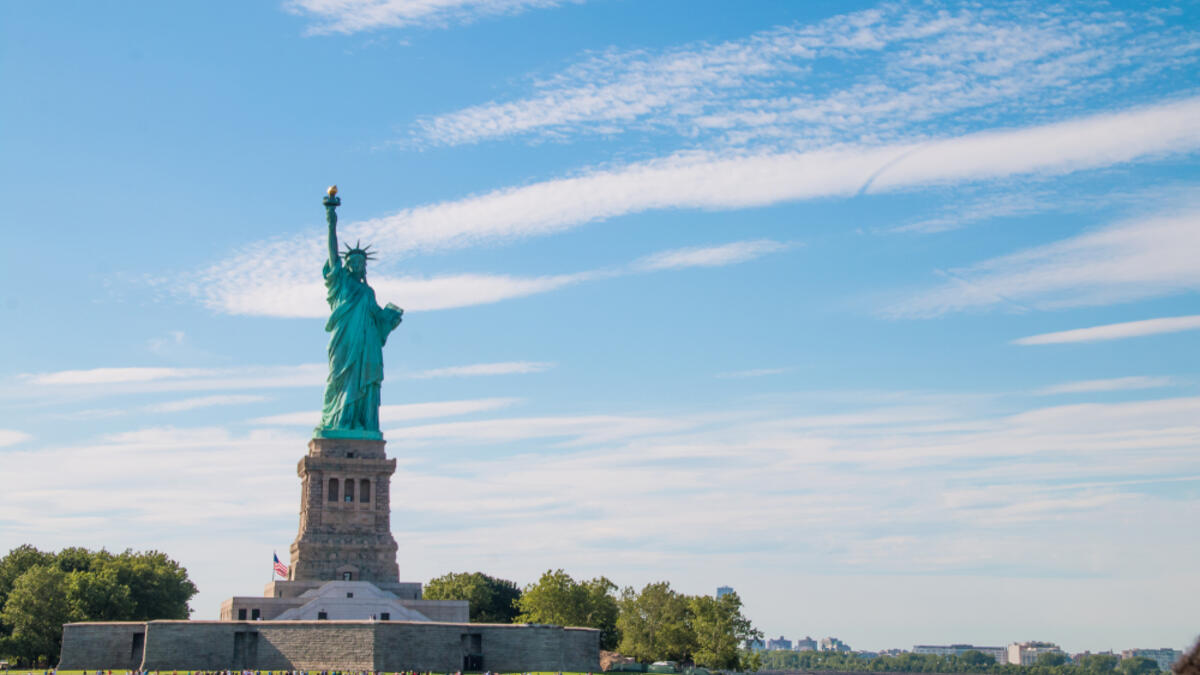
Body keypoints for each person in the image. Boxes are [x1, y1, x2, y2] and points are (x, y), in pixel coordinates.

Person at [317, 186, 403, 434]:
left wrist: (390, 319)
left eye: (360, 262)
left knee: (365, 384)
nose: (356, 264)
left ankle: (361, 424)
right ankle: (338, 422)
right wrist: (331, 218)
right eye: (352, 261)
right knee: (338, 380)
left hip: (366, 348)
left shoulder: (369, 292)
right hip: (345, 341)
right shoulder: (340, 282)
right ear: (346, 264)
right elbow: (333, 253)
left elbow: (378, 322)